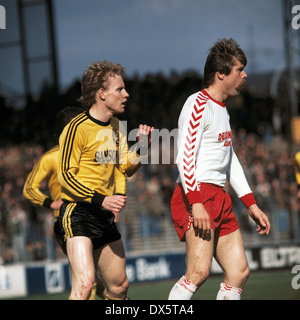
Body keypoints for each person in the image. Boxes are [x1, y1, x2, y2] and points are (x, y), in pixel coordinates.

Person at [168, 38, 270, 300]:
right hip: (197, 196)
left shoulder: (222, 109)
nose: (245, 75)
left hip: (219, 196)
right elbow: (184, 158)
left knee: (239, 271)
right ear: (221, 74)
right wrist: (197, 202)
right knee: (198, 272)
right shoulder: (197, 104)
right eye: (240, 70)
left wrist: (251, 204)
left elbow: (229, 158)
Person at [57, 60, 154, 300]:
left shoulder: (116, 127)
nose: (126, 94)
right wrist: (101, 199)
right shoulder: (75, 128)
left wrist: (141, 147)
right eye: (120, 89)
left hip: (103, 214)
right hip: (78, 212)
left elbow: (125, 167)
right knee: (85, 284)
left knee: (119, 286)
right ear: (102, 94)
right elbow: (66, 177)